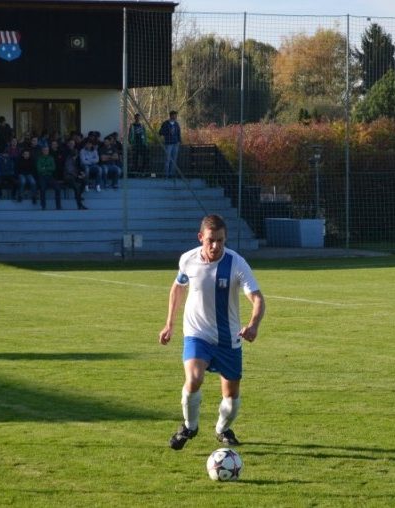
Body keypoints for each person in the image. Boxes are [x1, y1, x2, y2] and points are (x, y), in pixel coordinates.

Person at [159, 214, 266, 450]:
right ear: (201, 238)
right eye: (211, 240)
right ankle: (190, 426)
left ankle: (222, 429)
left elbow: (257, 298)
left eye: (221, 240)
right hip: (197, 334)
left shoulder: (236, 263)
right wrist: (170, 324)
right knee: (194, 379)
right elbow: (178, 288)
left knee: (232, 396)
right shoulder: (188, 260)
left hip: (229, 339)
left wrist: (254, 325)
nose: (216, 246)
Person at [36, 145, 61, 210]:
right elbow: (39, 169)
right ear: (42, 151)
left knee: (58, 188)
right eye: (44, 150)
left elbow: (53, 168)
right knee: (42, 189)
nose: (46, 151)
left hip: (50, 176)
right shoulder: (39, 158)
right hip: (42, 177)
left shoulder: (51, 158)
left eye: (47, 150)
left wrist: (44, 168)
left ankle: (58, 206)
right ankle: (43, 206)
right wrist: (48, 168)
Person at [158, 110, 181, 179]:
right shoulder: (166, 123)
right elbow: (160, 132)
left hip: (175, 144)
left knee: (174, 159)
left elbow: (178, 133)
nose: (175, 117)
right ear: (171, 116)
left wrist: (179, 141)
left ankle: (172, 174)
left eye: (176, 115)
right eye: (174, 115)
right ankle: (166, 175)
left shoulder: (176, 124)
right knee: (167, 159)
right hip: (168, 143)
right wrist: (166, 132)